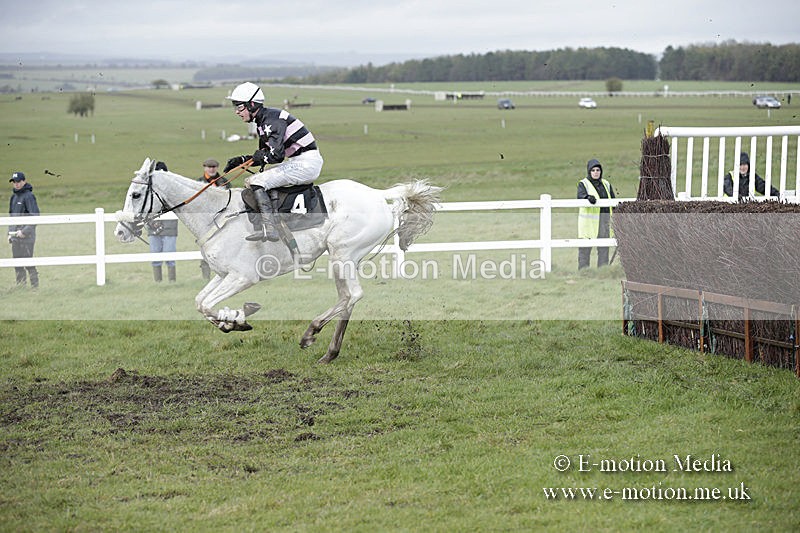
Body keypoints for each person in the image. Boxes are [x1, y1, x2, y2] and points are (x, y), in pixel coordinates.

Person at [223, 82, 323, 242]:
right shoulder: (263, 122)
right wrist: (242, 160)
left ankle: (271, 228)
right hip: (300, 160)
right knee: (256, 180)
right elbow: (264, 155)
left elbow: (276, 156)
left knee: (256, 181)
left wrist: (256, 158)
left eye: (239, 107)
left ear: (252, 104)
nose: (237, 111)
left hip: (305, 163)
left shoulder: (272, 121)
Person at [577, 159, 616, 270]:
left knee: (603, 248)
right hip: (589, 224)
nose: (595, 172)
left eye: (598, 170)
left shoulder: (606, 184)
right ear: (589, 171)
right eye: (593, 170)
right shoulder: (583, 184)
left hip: (604, 221)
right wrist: (587, 197)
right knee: (585, 249)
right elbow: (580, 196)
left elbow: (613, 200)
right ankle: (584, 271)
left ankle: (602, 271)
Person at [197, 158, 228, 280]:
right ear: (205, 168)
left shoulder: (224, 182)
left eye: (214, 167)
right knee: (206, 247)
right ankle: (206, 276)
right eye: (209, 167)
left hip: (221, 220)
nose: (211, 169)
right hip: (205, 221)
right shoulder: (199, 182)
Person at [7, 171, 40, 288]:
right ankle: (21, 287)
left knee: (28, 262)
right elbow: (11, 216)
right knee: (17, 263)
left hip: (27, 237)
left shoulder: (29, 196)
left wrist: (24, 231)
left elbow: (35, 216)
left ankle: (35, 288)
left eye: (18, 182)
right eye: (14, 182)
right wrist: (9, 233)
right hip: (15, 236)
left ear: (24, 181)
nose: (16, 184)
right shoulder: (13, 197)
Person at [147, 161, 178, 283]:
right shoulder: (150, 190)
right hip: (153, 226)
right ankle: (158, 281)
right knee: (155, 255)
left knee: (170, 255)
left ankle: (172, 281)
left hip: (170, 226)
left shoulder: (171, 189)